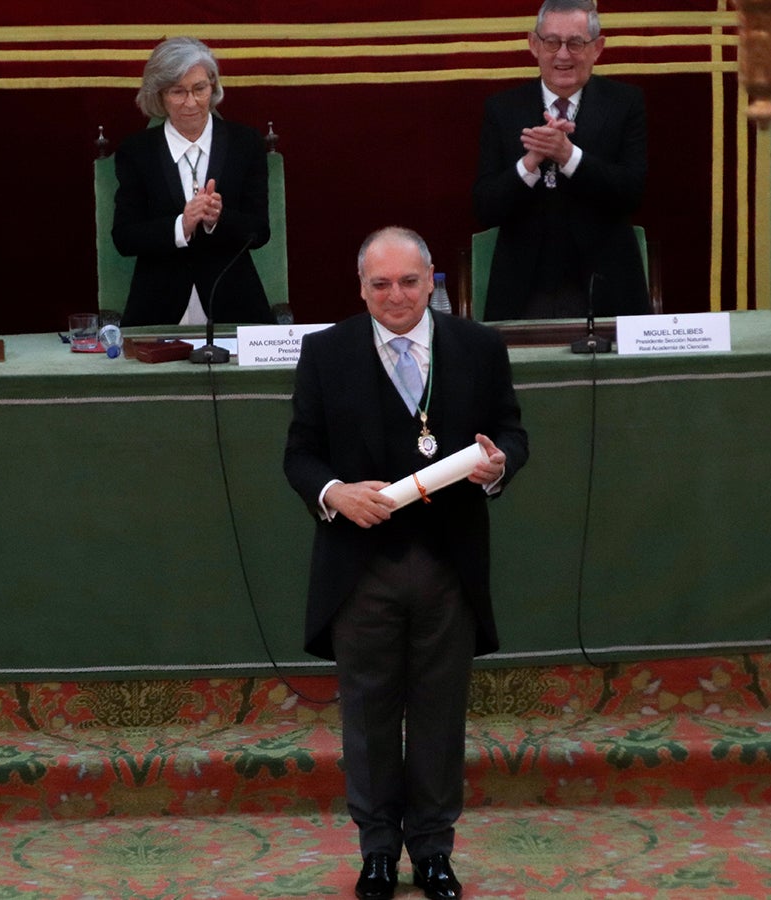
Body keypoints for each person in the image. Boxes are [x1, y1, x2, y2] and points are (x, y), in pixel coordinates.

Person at [284, 227, 528, 900]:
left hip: (449, 566)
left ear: (432, 281)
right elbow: (300, 454)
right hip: (360, 570)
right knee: (367, 716)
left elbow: (511, 432)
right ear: (361, 288)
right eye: (381, 284)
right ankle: (376, 852)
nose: (397, 296)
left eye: (410, 282)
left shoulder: (478, 346)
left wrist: (499, 464)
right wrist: (334, 493)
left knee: (439, 714)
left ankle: (433, 850)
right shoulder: (326, 351)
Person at [472, 0, 649, 321]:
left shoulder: (625, 103)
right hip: (523, 290)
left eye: (575, 43)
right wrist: (531, 162)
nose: (563, 55)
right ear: (533, 44)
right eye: (552, 42)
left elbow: (632, 194)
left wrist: (569, 156)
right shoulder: (502, 109)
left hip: (606, 286)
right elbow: (486, 208)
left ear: (597, 48)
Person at [112, 37, 274, 327]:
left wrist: (218, 218)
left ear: (213, 86)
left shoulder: (245, 143)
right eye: (178, 91)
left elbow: (260, 231)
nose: (191, 102)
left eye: (200, 88)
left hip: (234, 304)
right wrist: (181, 226)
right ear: (159, 95)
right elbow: (124, 237)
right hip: (157, 308)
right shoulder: (137, 151)